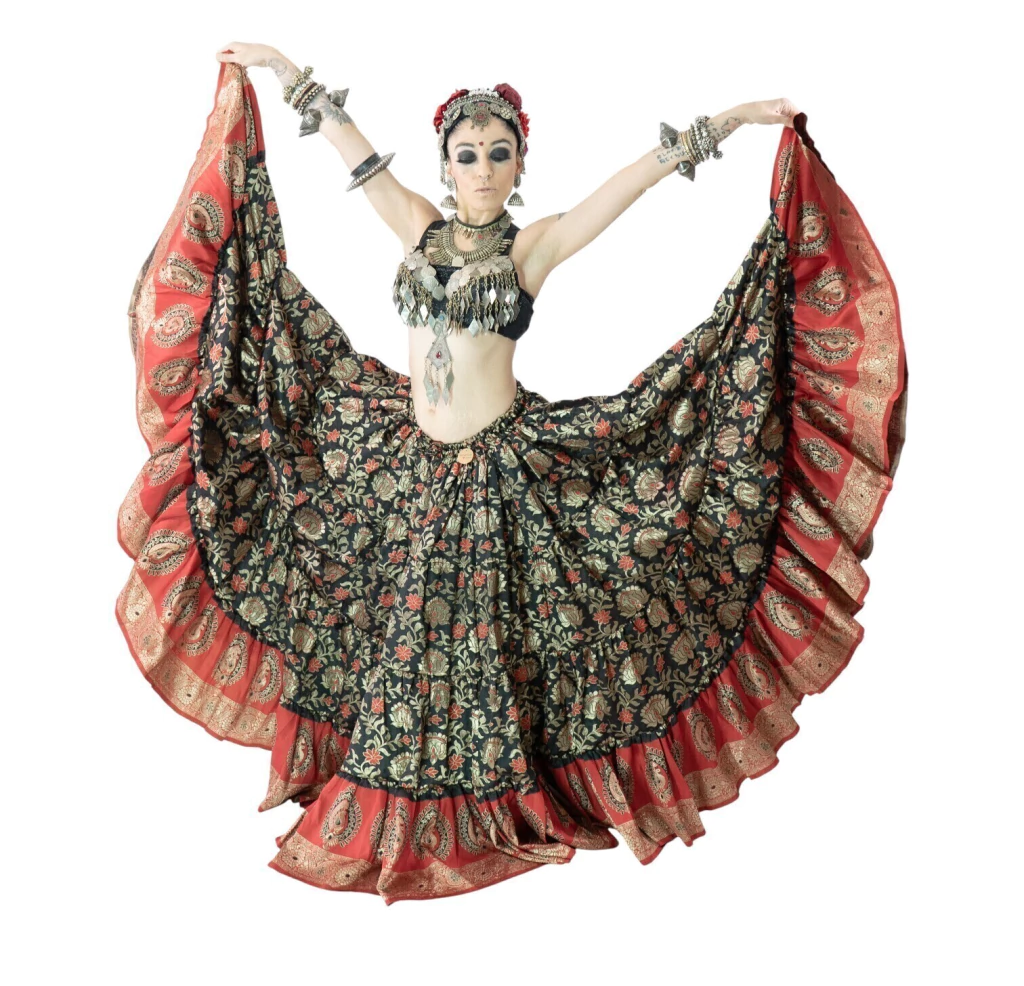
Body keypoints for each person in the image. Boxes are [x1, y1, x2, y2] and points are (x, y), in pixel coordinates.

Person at [115, 47, 908, 905]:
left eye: (500, 154)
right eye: (468, 154)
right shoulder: (417, 224)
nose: (484, 169)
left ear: (520, 164)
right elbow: (350, 145)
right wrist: (279, 70)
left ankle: (484, 801)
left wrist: (735, 120)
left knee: (497, 649)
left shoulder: (530, 247)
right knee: (387, 622)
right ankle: (388, 791)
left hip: (498, 476)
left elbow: (626, 188)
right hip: (407, 465)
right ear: (445, 164)